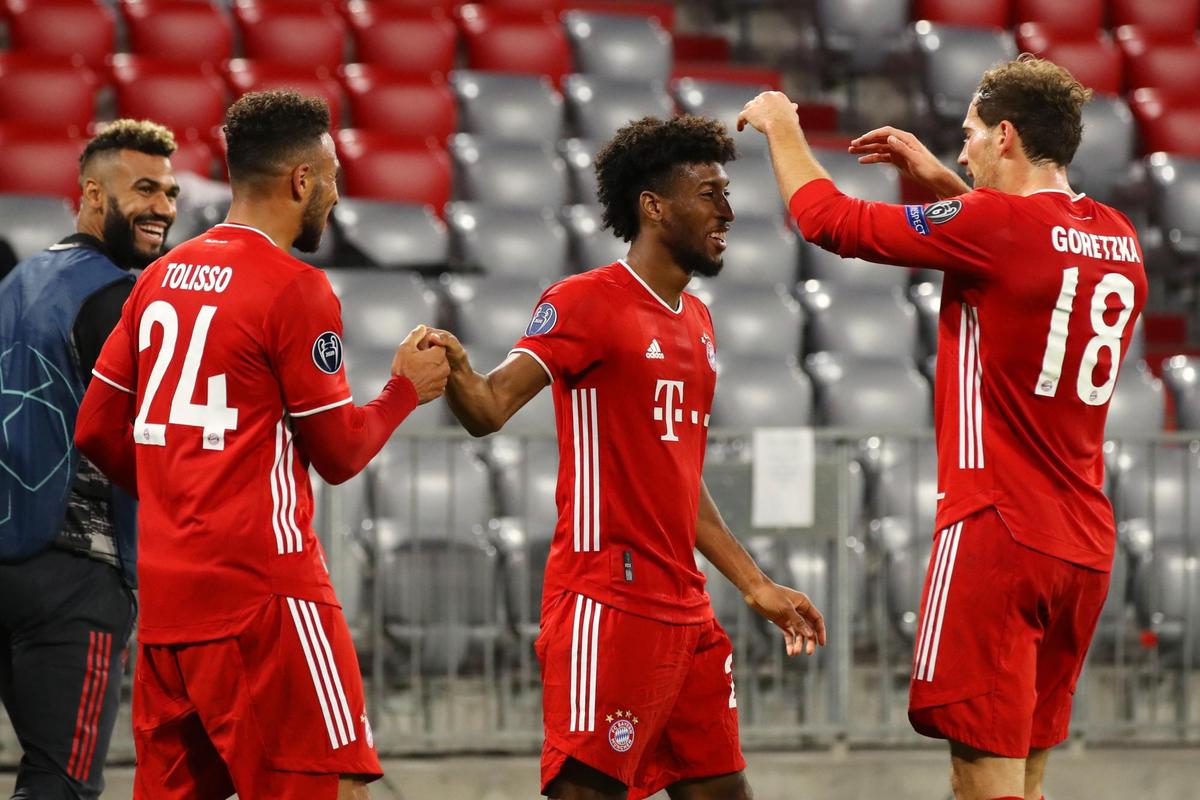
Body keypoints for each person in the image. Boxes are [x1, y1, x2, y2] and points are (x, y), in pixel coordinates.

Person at [738, 56, 1147, 800]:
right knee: (1025, 779)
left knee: (979, 783)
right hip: (1082, 546)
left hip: (998, 533)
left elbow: (828, 221)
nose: (960, 151)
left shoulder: (994, 226)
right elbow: (1023, 261)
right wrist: (944, 186)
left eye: (969, 136)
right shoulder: (1119, 238)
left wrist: (782, 125)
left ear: (1007, 137)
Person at [418, 115, 827, 800]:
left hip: (686, 609)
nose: (727, 210)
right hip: (606, 604)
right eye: (709, 193)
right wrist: (459, 368)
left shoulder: (697, 322)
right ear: (653, 206)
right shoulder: (584, 302)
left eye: (727, 193)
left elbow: (680, 479)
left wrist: (753, 583)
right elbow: (489, 409)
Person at [73, 91, 449, 800]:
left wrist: (180, 493)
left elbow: (94, 427)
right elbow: (339, 453)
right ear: (301, 181)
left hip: (168, 612)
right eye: (332, 176)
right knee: (334, 785)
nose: (337, 195)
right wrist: (405, 390)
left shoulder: (157, 279)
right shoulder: (294, 288)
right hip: (265, 602)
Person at [0, 119, 179, 799]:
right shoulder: (125, 300)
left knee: (45, 768)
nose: (163, 206)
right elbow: (152, 437)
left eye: (170, 191)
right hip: (75, 573)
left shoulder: (17, 281)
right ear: (94, 197)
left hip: (9, 556)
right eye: (144, 189)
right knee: (62, 780)